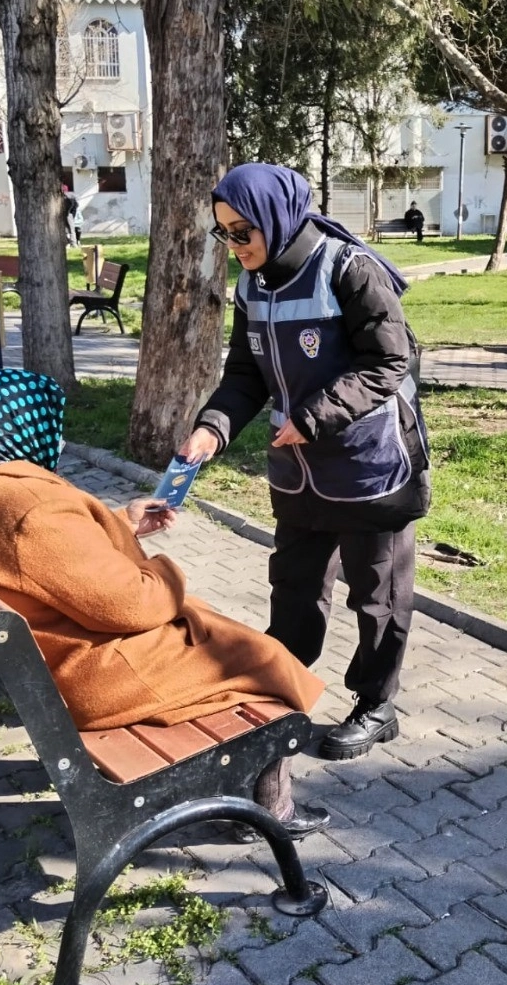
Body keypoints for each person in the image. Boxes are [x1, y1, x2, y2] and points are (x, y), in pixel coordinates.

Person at [0, 368, 330, 840]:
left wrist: (123, 522)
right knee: (264, 661)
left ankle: (254, 792)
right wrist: (165, 570)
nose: (56, 435)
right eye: (51, 423)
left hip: (48, 656)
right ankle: (269, 811)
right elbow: (133, 604)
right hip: (89, 676)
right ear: (23, 427)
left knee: (224, 635)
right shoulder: (31, 508)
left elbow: (52, 562)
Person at [179, 163, 431, 763]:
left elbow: (388, 362)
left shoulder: (350, 270)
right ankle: (282, 688)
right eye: (225, 233)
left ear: (276, 219)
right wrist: (212, 428)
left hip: (370, 465)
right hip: (299, 473)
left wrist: (316, 416)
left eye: (244, 231)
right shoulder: (252, 286)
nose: (235, 246)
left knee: (377, 594)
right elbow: (244, 374)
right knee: (294, 587)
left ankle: (377, 705)